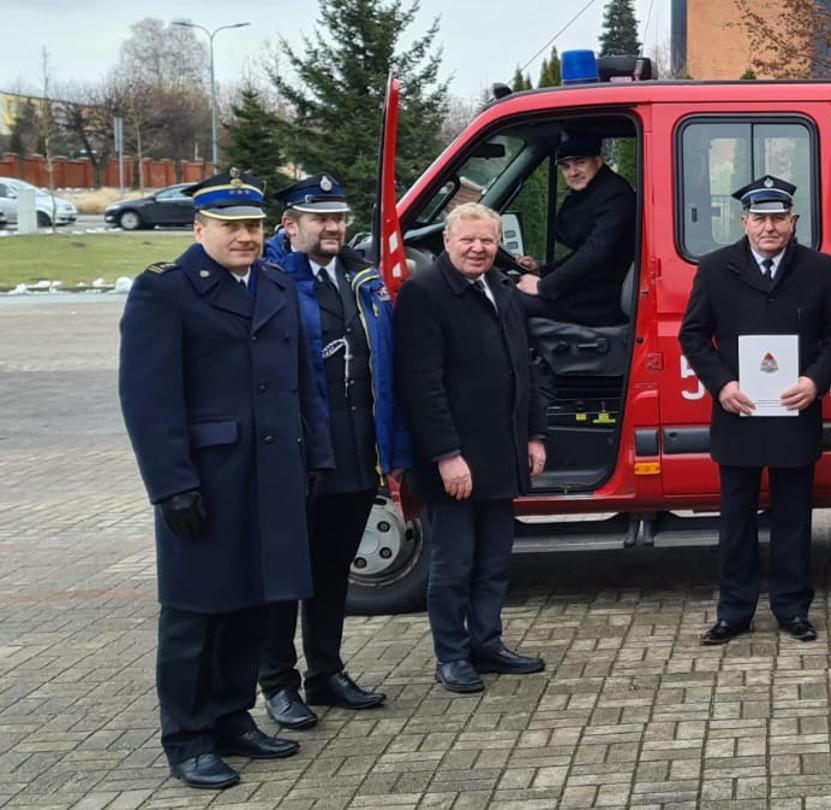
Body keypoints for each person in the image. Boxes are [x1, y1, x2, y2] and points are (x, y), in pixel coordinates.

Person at [118, 170, 332, 789]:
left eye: (254, 225)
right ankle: (187, 738)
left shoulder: (273, 282)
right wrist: (169, 484)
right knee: (195, 616)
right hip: (207, 481)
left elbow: (302, 380)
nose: (246, 236)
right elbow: (149, 398)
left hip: (272, 474)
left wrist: (314, 456)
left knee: (256, 606)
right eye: (231, 226)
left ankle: (233, 718)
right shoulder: (166, 291)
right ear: (199, 228)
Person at [256, 173, 411, 728]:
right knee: (287, 574)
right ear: (290, 225)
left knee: (331, 569)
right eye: (320, 218)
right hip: (296, 458)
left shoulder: (361, 279)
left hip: (354, 451)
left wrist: (393, 449)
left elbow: (385, 370)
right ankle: (277, 682)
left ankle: (326, 670)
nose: (333, 227)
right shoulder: (270, 282)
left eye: (339, 217)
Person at [680, 175, 831, 645]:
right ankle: (734, 612)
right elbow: (693, 335)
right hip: (739, 412)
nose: (769, 227)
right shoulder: (716, 268)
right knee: (736, 521)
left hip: (795, 413)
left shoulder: (818, 268)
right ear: (744, 221)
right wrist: (721, 385)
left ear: (794, 221)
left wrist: (815, 382)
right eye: (760, 218)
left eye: (779, 218)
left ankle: (792, 608)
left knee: (793, 519)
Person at [394, 203, 550, 694]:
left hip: (501, 451)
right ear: (447, 241)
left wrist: (535, 434)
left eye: (487, 241)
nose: (479, 249)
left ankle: (487, 643)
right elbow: (422, 385)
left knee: (493, 561)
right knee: (453, 565)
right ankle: (452, 656)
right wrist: (446, 455)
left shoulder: (499, 289)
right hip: (456, 459)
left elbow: (523, 369)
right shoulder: (424, 294)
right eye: (468, 240)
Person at [512, 137, 637, 326]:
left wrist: (544, 286)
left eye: (580, 162)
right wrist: (541, 271)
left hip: (598, 300)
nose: (573, 172)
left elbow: (596, 251)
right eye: (565, 166)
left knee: (508, 303)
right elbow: (583, 252)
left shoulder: (615, 194)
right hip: (588, 290)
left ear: (598, 160)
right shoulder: (594, 191)